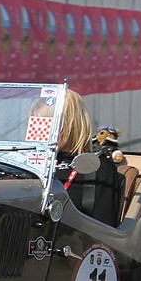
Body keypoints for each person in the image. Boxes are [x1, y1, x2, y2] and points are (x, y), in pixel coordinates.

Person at [56, 89, 123, 226]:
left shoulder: (98, 168)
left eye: (53, 121)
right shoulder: (25, 165)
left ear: (70, 124)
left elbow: (104, 234)